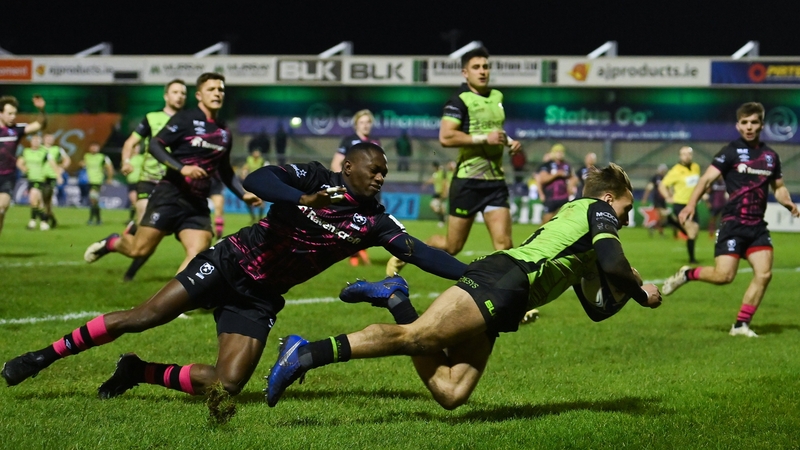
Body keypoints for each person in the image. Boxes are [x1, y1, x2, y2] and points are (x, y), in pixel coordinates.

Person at [1, 143, 467, 406]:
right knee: (144, 316)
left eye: (385, 172)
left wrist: (473, 275)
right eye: (374, 169)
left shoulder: (375, 221)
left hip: (258, 298)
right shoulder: (314, 176)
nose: (381, 177)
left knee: (227, 387)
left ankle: (137, 370)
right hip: (229, 263)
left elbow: (425, 254)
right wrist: (302, 200)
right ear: (349, 167)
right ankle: (44, 356)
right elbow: (257, 179)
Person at [266, 163, 662, 409]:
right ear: (609, 199)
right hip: (505, 279)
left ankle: (395, 296)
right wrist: (640, 290)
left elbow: (596, 308)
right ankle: (306, 353)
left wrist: (628, 288)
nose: (627, 219)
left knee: (451, 393)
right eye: (626, 209)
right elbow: (614, 262)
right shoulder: (597, 212)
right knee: (417, 338)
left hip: (512, 294)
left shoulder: (583, 228)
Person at [84, 73, 260, 274]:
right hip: (170, 195)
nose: (217, 93)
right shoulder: (185, 119)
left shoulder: (223, 132)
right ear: (199, 95)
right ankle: (112, 243)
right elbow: (155, 144)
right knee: (139, 249)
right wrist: (182, 168)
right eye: (211, 89)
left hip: (196, 203)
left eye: (220, 89)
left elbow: (225, 169)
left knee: (198, 251)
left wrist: (243, 194)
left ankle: (174, 300)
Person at [662, 102, 799, 338]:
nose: (749, 127)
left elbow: (779, 188)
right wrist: (691, 204)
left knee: (764, 274)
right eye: (744, 122)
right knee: (724, 276)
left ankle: (740, 325)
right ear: (738, 125)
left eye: (754, 122)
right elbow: (705, 180)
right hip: (733, 224)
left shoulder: (770, 157)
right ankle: (687, 274)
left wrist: (787, 202)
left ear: (761, 125)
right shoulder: (730, 152)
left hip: (757, 226)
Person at [386, 47, 522, 276]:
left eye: (485, 67)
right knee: (452, 246)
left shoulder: (497, 97)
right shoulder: (458, 101)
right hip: (467, 182)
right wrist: (484, 138)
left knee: (504, 245)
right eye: (476, 67)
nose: (482, 71)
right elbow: (446, 137)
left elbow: (493, 131)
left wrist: (508, 141)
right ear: (465, 73)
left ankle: (513, 302)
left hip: (495, 182)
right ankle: (405, 253)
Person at [119, 80, 187, 281]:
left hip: (174, 184)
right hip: (149, 179)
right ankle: (128, 271)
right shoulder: (152, 118)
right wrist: (126, 160)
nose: (180, 96)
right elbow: (131, 142)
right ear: (166, 96)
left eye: (183, 93)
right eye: (175, 92)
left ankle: (130, 269)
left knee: (156, 233)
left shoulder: (189, 121)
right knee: (147, 224)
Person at [332, 109, 380, 266]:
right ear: (356, 125)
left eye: (368, 122)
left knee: (368, 223)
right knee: (355, 222)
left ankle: (357, 252)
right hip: (354, 189)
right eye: (362, 122)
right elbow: (336, 163)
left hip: (371, 190)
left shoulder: (375, 142)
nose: (365, 125)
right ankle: (356, 256)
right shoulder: (349, 141)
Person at [0, 95, 47, 239]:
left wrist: (42, 110)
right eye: (9, 113)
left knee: (1, 209)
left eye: (15, 113)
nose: (13, 117)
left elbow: (40, 125)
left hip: (7, 176)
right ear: (0, 113)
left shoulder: (16, 130)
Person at [658, 146, 701, 263]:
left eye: (689, 154)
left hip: (692, 204)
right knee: (691, 232)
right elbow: (662, 185)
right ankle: (692, 259)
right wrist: (668, 197)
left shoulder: (696, 167)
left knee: (695, 231)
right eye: (684, 154)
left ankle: (673, 222)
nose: (687, 156)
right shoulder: (675, 170)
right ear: (680, 156)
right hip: (681, 205)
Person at [17, 135, 60, 230]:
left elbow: (52, 163)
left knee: (34, 200)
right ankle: (44, 221)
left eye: (38, 141)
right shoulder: (26, 151)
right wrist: (24, 169)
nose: (36, 142)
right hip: (31, 179)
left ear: (40, 142)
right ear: (31, 142)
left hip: (41, 179)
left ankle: (33, 222)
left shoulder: (44, 152)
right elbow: (19, 162)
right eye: (34, 140)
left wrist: (58, 175)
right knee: (37, 203)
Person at [536, 143, 575, 224]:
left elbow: (572, 177)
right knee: (547, 220)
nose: (560, 153)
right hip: (551, 196)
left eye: (562, 152)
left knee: (564, 220)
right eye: (558, 151)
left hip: (563, 196)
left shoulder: (566, 165)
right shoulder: (547, 165)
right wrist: (557, 174)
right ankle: (542, 235)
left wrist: (571, 187)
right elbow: (542, 179)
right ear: (553, 153)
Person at [41, 133, 71, 228]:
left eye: (51, 138)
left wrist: (61, 168)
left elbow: (67, 160)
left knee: (47, 198)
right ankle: (51, 217)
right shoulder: (39, 149)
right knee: (39, 200)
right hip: (39, 176)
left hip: (51, 177)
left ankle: (44, 220)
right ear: (43, 139)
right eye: (47, 138)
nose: (50, 140)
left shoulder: (57, 149)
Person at [81, 142, 114, 225]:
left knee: (93, 198)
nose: (94, 148)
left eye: (96, 147)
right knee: (94, 201)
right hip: (88, 181)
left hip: (97, 181)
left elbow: (109, 167)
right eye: (92, 147)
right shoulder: (87, 156)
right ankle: (98, 219)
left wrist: (110, 178)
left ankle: (92, 219)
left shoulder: (102, 157)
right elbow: (82, 163)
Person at [640, 163, 669, 237]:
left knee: (663, 218)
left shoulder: (666, 178)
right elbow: (649, 188)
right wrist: (645, 198)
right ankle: (661, 233)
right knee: (661, 216)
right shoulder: (655, 178)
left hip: (663, 200)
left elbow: (668, 189)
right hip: (657, 199)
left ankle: (653, 227)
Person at [241, 148, 267, 223]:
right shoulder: (249, 159)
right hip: (251, 183)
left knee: (262, 201)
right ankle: (253, 217)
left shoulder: (262, 160)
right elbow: (245, 168)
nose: (256, 154)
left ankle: (260, 218)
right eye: (255, 152)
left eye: (257, 152)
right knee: (249, 201)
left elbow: (266, 169)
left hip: (261, 183)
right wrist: (244, 173)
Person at [125, 144, 144, 222]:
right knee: (134, 201)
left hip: (140, 182)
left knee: (136, 202)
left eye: (138, 147)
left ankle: (133, 219)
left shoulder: (142, 158)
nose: (137, 149)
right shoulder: (128, 159)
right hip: (131, 182)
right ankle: (133, 219)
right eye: (135, 147)